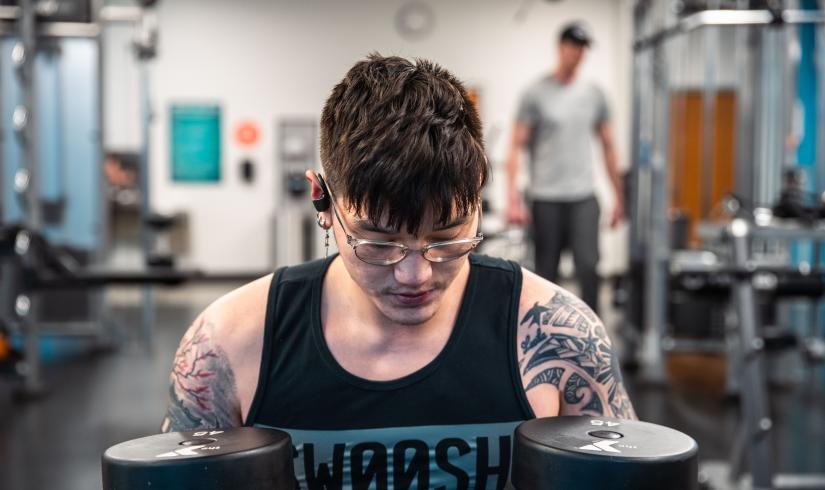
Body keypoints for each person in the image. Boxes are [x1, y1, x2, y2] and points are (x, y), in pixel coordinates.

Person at [161, 53, 635, 489]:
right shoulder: (228, 341)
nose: (416, 275)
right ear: (321, 201)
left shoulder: (560, 334)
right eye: (379, 244)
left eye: (448, 238)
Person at [506, 22, 625, 315]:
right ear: (560, 47)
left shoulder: (595, 94)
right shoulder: (535, 93)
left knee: (588, 266)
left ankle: (593, 332)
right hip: (546, 197)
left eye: (583, 47)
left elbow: (609, 146)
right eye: (573, 45)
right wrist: (513, 199)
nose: (578, 52)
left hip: (583, 196)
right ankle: (545, 332)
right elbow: (516, 146)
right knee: (546, 272)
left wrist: (619, 196)